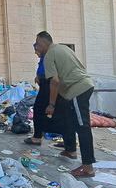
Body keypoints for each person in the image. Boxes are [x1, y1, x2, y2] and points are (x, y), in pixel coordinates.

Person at [35, 31, 96, 177]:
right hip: (81, 86)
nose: (36, 47)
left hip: (77, 89)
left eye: (37, 44)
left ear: (43, 43)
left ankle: (88, 167)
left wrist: (51, 104)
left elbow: (55, 82)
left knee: (82, 127)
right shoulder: (63, 48)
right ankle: (70, 150)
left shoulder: (49, 55)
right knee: (70, 120)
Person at [24, 44, 51, 145]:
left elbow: (52, 76)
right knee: (40, 109)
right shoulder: (44, 57)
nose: (35, 53)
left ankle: (37, 136)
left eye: (36, 50)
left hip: (48, 85)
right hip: (45, 85)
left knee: (39, 109)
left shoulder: (48, 56)